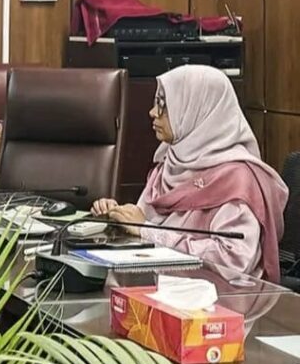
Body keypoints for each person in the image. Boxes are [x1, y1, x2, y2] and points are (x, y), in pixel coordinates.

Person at [91, 65, 288, 282]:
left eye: (163, 104)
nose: (153, 112)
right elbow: (142, 223)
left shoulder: (237, 180)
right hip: (162, 285)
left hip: (217, 295)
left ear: (198, 110)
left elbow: (234, 260)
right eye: (157, 102)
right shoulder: (170, 162)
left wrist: (147, 231)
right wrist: (118, 217)